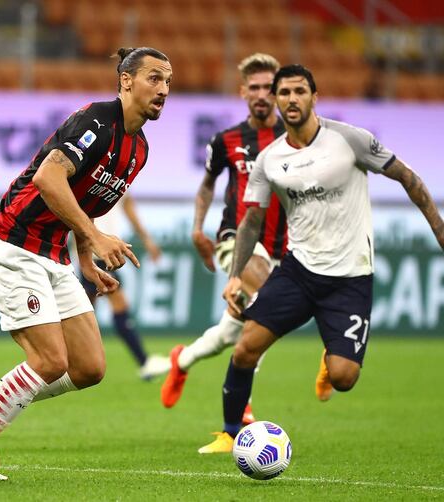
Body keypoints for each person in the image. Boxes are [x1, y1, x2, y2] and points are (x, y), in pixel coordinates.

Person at [0, 46, 171, 481]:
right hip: (13, 242)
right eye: (154, 78)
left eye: (168, 82)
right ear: (126, 81)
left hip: (52, 253)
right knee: (49, 361)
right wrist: (94, 237)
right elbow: (49, 178)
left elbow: (87, 202)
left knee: (88, 368)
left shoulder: (139, 149)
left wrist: (86, 257)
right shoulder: (96, 120)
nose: (163, 90)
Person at [201, 64, 444, 454]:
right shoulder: (270, 158)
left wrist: (439, 229)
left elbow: (408, 178)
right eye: (285, 93)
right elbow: (251, 221)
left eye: (300, 92)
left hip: (350, 277)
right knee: (246, 348)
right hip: (299, 272)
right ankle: (231, 432)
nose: (291, 99)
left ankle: (331, 360)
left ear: (315, 97)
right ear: (277, 101)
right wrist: (233, 276)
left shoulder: (350, 140)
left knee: (345, 377)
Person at [160, 54, 286, 425]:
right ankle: (241, 410)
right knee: (267, 307)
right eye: (256, 87)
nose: (263, 94)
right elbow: (207, 186)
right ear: (244, 91)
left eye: (269, 87)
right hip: (238, 237)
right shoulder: (226, 140)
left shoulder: (294, 139)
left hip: (284, 245)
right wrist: (197, 228)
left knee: (231, 332)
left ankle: (181, 360)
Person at [79, 193, 171, 380]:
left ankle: (73, 359)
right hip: (96, 254)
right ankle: (144, 362)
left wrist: (147, 240)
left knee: (84, 312)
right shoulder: (95, 175)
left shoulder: (120, 180)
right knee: (107, 308)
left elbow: (129, 211)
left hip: (101, 253)